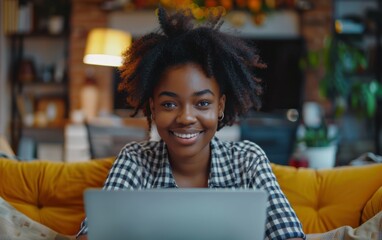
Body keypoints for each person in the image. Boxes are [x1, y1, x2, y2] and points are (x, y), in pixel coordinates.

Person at [77, 6, 305, 240]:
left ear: (220, 106)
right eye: (169, 104)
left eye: (203, 103)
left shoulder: (247, 160)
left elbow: (289, 235)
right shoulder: (135, 160)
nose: (186, 118)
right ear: (153, 108)